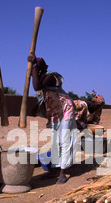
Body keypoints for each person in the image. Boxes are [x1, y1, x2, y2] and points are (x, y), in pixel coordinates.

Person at [29, 55, 78, 184]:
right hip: (55, 112)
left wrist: (33, 66)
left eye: (36, 68)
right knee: (55, 141)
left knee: (65, 140)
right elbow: (43, 97)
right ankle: (55, 169)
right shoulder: (40, 79)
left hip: (66, 109)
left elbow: (36, 86)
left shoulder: (50, 76)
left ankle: (62, 172)